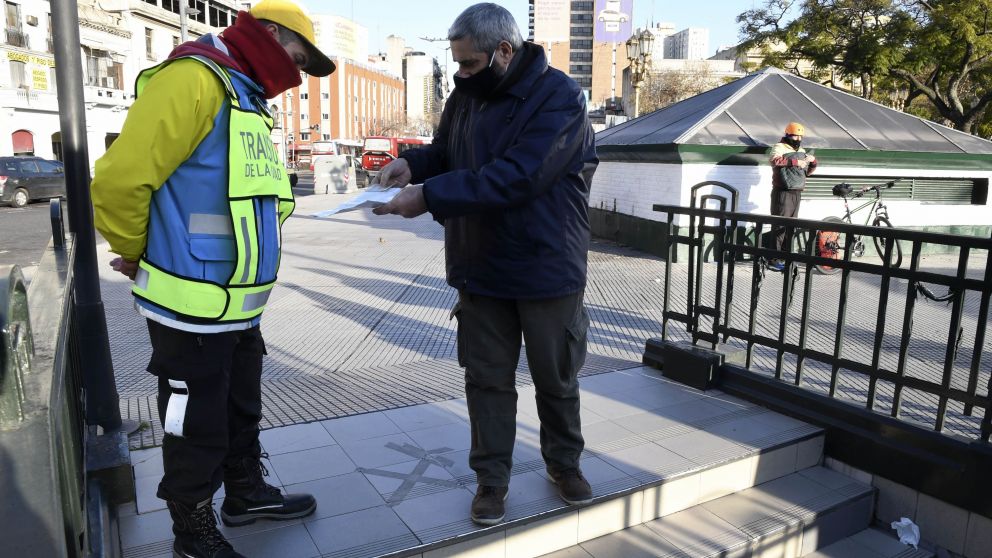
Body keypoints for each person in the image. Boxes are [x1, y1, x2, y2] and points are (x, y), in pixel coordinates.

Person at [91, 1, 334, 556]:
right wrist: (133, 251)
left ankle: (243, 493)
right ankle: (191, 527)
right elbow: (118, 182)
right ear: (269, 35)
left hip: (236, 304)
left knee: (239, 404)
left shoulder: (241, 91)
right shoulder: (194, 79)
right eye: (296, 58)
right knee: (193, 420)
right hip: (188, 302)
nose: (295, 76)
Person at [371, 3, 598, 526]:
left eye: (469, 63)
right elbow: (448, 152)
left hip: (546, 266)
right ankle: (491, 481)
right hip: (481, 265)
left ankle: (564, 465)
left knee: (556, 378)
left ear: (504, 50)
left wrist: (429, 197)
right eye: (456, 64)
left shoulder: (559, 97)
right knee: (487, 381)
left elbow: (519, 175)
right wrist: (415, 164)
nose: (460, 73)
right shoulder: (466, 94)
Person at [767, 122, 816, 272]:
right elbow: (774, 161)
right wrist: (795, 161)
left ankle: (785, 257)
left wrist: (812, 161)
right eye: (796, 135)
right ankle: (773, 259)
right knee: (780, 224)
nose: (798, 138)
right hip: (782, 191)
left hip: (797, 192)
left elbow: (807, 171)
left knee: (790, 227)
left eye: (801, 136)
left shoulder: (801, 150)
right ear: (788, 135)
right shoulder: (779, 147)